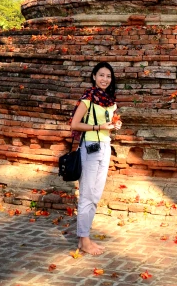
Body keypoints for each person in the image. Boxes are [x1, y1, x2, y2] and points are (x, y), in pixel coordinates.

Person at [70, 60, 122, 255]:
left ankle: (86, 236)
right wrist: (99, 127)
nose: (105, 79)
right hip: (89, 147)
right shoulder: (88, 98)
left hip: (105, 147)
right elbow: (74, 124)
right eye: (101, 75)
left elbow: (112, 120)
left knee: (96, 195)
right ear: (94, 76)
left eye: (108, 76)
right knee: (86, 194)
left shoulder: (110, 100)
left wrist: (116, 124)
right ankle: (84, 240)